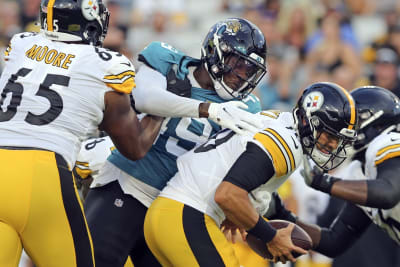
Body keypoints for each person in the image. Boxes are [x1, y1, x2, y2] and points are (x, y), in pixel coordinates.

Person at [83, 18, 267, 267]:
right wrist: (208, 110)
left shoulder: (248, 107)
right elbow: (146, 99)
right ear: (214, 52)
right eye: (238, 65)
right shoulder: (169, 61)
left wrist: (258, 199)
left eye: (250, 71)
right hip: (128, 185)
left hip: (170, 211)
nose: (241, 77)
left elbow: (242, 165)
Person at [0, 0, 165, 266]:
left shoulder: (22, 44)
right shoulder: (107, 64)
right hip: (41, 172)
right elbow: (135, 148)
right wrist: (162, 109)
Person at [143, 82, 358, 266]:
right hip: (188, 216)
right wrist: (270, 236)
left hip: (168, 215)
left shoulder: (279, 121)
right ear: (307, 121)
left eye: (338, 140)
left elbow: (240, 179)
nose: (332, 145)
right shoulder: (286, 144)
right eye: (329, 135)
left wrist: (244, 213)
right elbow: (227, 194)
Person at [268, 86, 400, 258]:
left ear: (377, 126)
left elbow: (388, 194)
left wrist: (323, 182)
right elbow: (333, 242)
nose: (343, 131)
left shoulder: (389, 142)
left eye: (353, 123)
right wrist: (280, 213)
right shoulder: (360, 171)